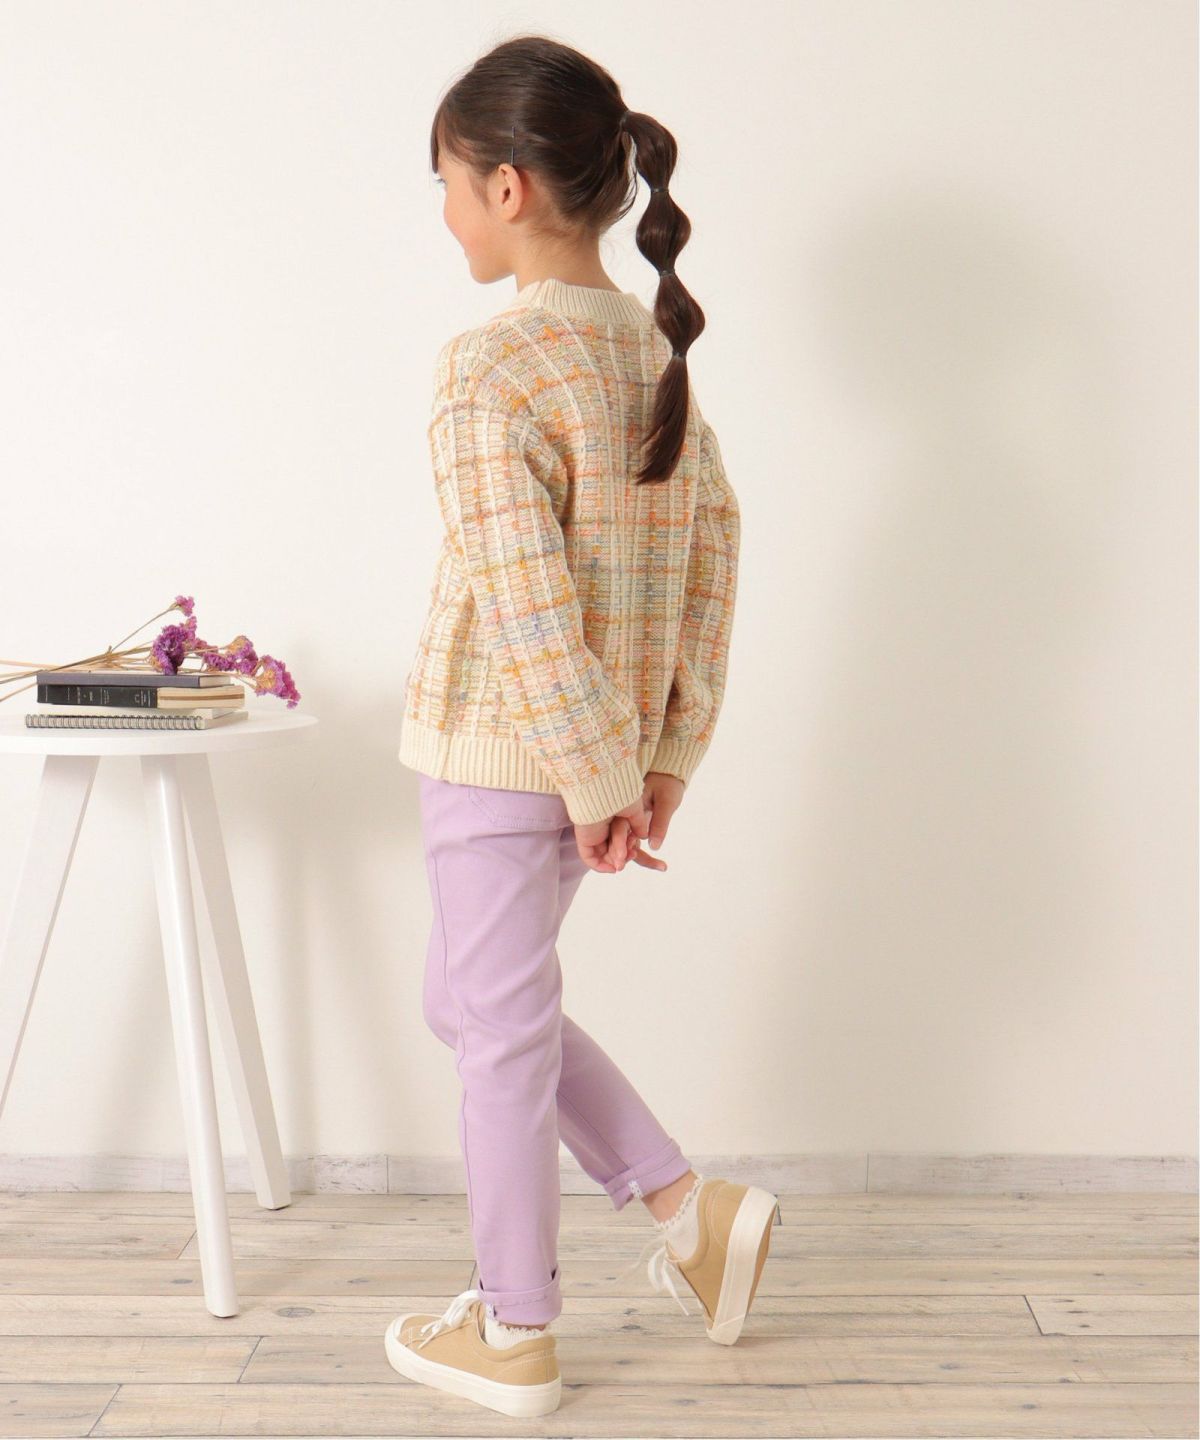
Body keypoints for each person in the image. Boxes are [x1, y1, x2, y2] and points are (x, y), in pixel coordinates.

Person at [383, 33, 779, 1419]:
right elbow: (714, 560)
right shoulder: (648, 353)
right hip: (579, 764)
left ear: (505, 187)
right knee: (472, 1003)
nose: (445, 215)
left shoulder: (491, 365)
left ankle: (516, 1329)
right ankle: (686, 1210)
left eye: (446, 186)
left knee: (492, 1032)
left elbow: (526, 601)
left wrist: (614, 772)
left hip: (508, 754)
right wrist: (655, 759)